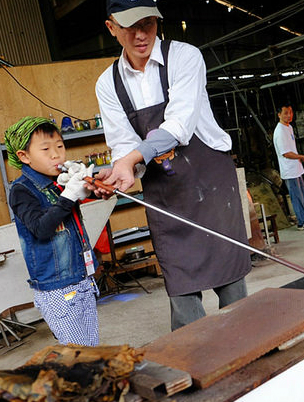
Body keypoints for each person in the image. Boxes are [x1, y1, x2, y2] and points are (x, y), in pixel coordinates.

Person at [94, 0, 251, 331]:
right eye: (130, 27)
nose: (141, 35)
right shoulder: (108, 84)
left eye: (148, 24)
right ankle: (196, 362)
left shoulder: (184, 57)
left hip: (210, 184)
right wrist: (120, 173)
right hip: (165, 194)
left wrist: (131, 159)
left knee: (232, 285)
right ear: (111, 28)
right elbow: (124, 145)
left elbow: (179, 126)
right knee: (181, 287)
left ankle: (250, 349)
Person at [5, 117, 99, 346]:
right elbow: (41, 229)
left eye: (60, 146)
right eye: (46, 149)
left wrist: (91, 186)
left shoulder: (61, 180)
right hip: (57, 287)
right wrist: (68, 196)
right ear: (24, 156)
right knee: (77, 354)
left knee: (92, 348)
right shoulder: (21, 191)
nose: (56, 154)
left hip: (82, 278)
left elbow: (92, 193)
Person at [273, 104, 304, 230]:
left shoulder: (289, 127)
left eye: (290, 112)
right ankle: (302, 222)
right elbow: (286, 153)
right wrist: (301, 157)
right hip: (289, 170)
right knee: (297, 197)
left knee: (303, 194)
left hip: (296, 168)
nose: (289, 115)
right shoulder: (280, 131)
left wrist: (300, 159)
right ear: (279, 115)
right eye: (286, 113)